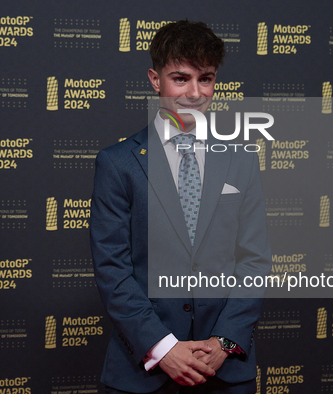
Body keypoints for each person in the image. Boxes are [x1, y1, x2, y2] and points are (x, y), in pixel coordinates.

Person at [90, 20, 272, 393]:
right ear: (155, 80)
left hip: (224, 368)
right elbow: (113, 269)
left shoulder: (241, 159)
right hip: (144, 370)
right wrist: (164, 347)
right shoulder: (118, 163)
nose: (194, 93)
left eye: (205, 79)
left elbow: (254, 260)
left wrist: (225, 341)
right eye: (180, 78)